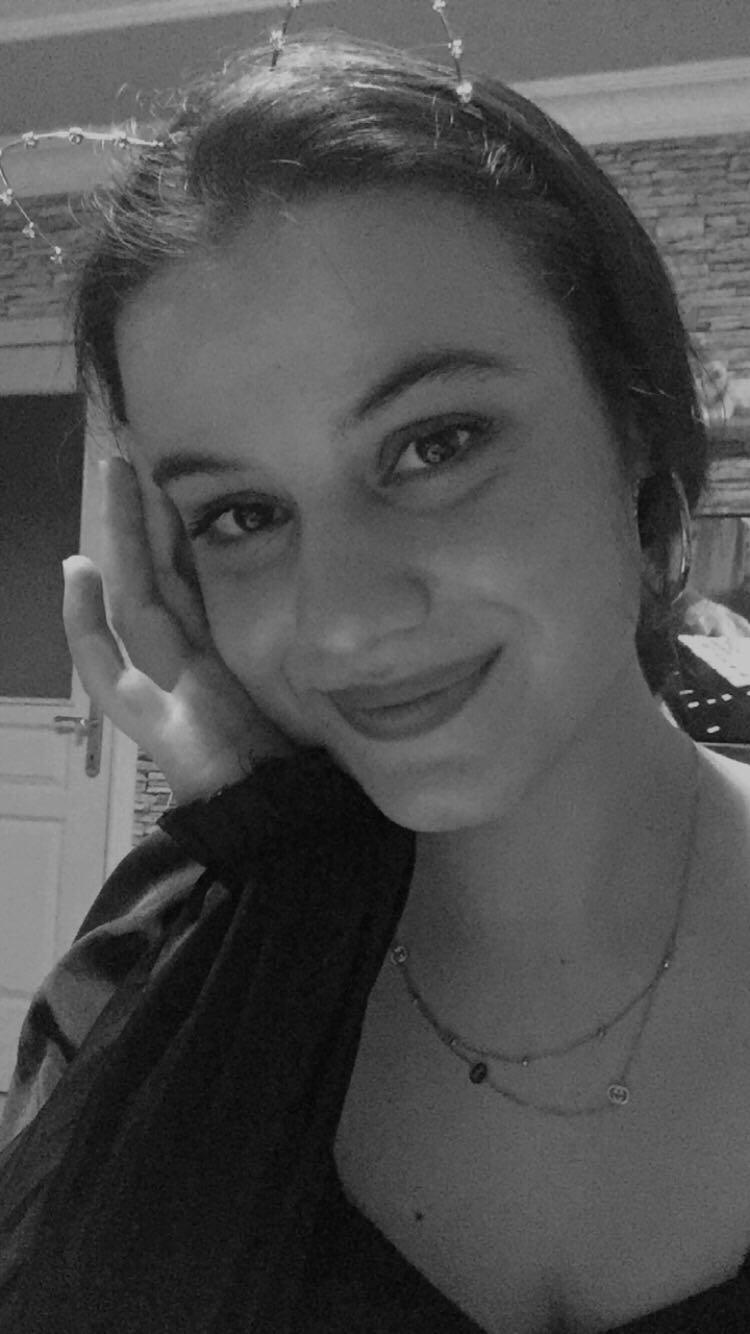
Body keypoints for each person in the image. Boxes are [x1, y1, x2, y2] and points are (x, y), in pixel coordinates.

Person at [2, 24, 750, 1334]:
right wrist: (278, 858)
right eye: (240, 513)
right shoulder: (153, 973)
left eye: (433, 444)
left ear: (636, 428)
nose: (340, 621)